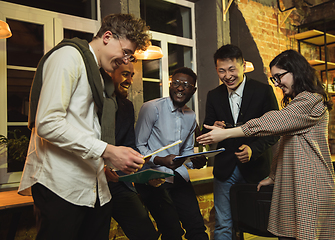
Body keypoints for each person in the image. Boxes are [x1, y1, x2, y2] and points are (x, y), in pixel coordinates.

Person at [18, 13, 150, 240]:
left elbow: (86, 127)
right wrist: (107, 150)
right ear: (108, 36)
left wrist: (106, 163)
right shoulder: (68, 56)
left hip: (95, 185)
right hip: (61, 185)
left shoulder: (99, 76)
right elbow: (47, 123)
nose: (126, 60)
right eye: (126, 52)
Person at [197, 49, 335, 240]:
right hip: (293, 181)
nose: (277, 83)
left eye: (279, 76)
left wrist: (227, 133)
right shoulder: (296, 102)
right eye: (274, 78)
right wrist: (273, 176)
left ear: (296, 71)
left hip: (310, 183)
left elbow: (270, 123)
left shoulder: (312, 100)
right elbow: (285, 144)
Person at [201, 44, 279, 240]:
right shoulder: (213, 95)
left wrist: (253, 149)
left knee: (262, 225)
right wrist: (214, 128)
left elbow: (275, 130)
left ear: (243, 66)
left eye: (232, 69)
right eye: (221, 71)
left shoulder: (263, 91)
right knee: (223, 225)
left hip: (257, 168)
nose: (227, 75)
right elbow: (205, 132)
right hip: (225, 170)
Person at [135, 67, 209, 240]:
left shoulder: (191, 115)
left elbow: (187, 151)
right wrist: (160, 160)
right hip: (155, 178)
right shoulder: (151, 108)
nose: (180, 88)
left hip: (179, 177)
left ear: (193, 90)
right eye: (176, 83)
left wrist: (194, 161)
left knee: (197, 228)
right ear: (170, 84)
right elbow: (139, 146)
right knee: (173, 233)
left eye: (186, 85)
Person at [103, 62, 159, 240]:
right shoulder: (93, 103)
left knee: (147, 234)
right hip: (91, 183)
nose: (130, 80)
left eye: (132, 75)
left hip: (119, 183)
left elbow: (130, 146)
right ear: (108, 73)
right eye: (125, 74)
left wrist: (146, 173)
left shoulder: (127, 106)